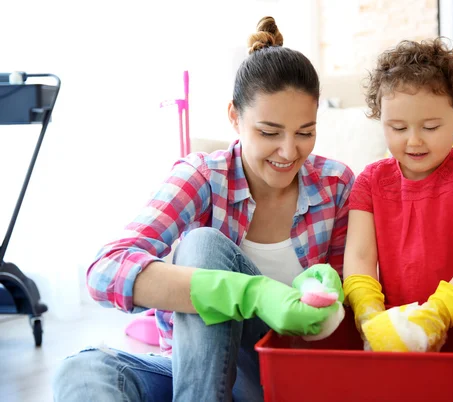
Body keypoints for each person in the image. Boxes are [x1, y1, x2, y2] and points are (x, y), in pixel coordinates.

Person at [53, 16, 353, 402]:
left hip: (289, 379)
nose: (289, 151)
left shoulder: (337, 185)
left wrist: (326, 296)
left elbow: (349, 315)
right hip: (200, 376)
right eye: (269, 132)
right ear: (234, 117)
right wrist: (249, 292)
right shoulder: (204, 177)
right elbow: (104, 271)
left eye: (305, 132)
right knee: (82, 371)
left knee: (203, 247)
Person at [342, 38, 453, 401]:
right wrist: (367, 310)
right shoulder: (370, 181)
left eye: (430, 126)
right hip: (397, 330)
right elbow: (360, 257)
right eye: (397, 127)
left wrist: (441, 311)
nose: (413, 141)